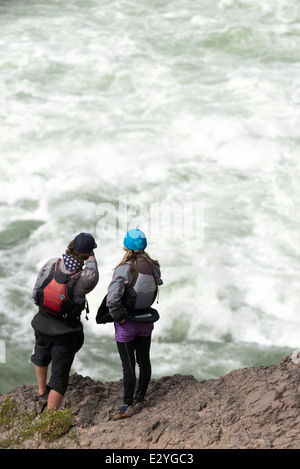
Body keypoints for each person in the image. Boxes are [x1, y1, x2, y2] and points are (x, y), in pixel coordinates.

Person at [31, 232, 99, 410]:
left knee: (40, 355)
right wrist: (91, 256)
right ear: (88, 254)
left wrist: (44, 312)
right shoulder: (84, 278)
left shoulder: (51, 263)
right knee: (60, 378)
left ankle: (41, 391)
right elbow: (94, 273)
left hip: (42, 321)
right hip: (65, 330)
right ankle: (49, 423)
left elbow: (36, 291)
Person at [101, 228, 163, 420]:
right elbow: (155, 285)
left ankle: (127, 405)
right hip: (146, 321)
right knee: (144, 360)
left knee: (128, 366)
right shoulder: (154, 266)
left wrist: (118, 317)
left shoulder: (123, 269)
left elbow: (112, 299)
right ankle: (141, 398)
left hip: (127, 323)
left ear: (125, 246)